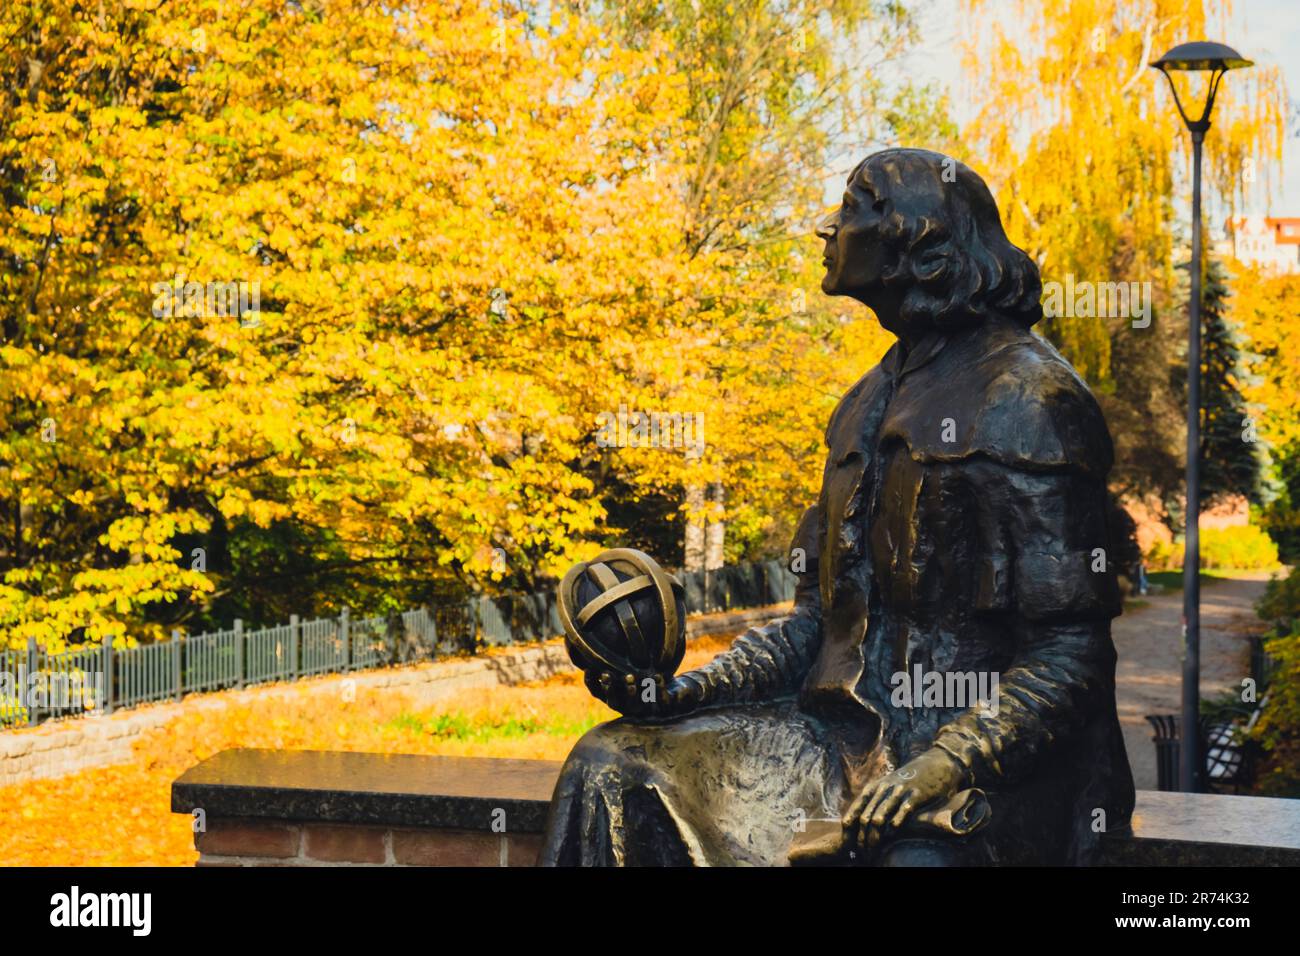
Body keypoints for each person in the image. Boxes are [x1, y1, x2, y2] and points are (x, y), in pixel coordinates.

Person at [540, 148, 1135, 867]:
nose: (827, 229)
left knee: (913, 863)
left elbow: (1069, 656)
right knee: (609, 766)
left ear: (917, 242)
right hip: (845, 747)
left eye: (851, 210)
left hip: (996, 772)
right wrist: (678, 694)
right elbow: (813, 633)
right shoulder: (862, 406)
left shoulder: (1030, 399)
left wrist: (947, 763)